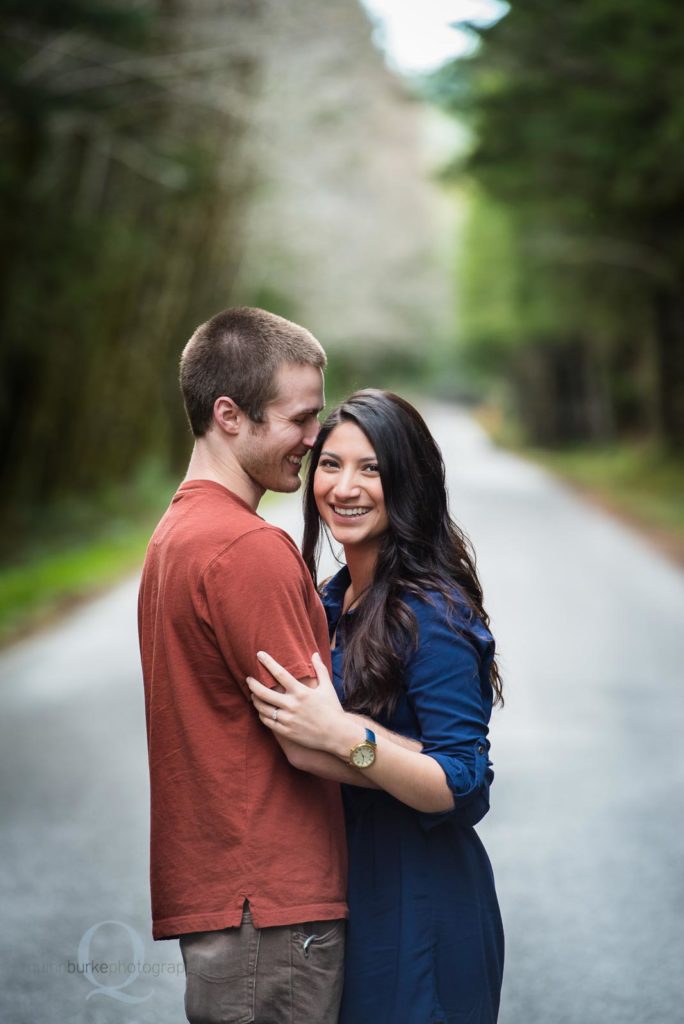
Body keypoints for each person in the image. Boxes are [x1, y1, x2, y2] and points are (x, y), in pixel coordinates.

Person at [247, 389, 505, 1024]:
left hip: (423, 902)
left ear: (408, 482)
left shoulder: (431, 612)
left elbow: (462, 785)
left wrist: (344, 736)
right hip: (342, 892)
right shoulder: (330, 602)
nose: (345, 486)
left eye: (372, 468)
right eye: (330, 465)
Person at [137, 307, 349, 1024]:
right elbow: (312, 738)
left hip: (231, 902)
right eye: (300, 420)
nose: (315, 441)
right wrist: (438, 769)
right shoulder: (246, 549)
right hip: (273, 907)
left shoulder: (176, 532)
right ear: (230, 415)